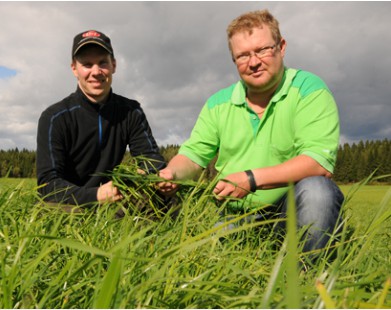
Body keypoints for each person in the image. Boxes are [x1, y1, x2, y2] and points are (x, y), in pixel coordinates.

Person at [159, 10, 344, 253]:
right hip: (234, 216)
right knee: (198, 256)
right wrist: (172, 173)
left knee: (319, 192)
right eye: (243, 55)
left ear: (282, 46)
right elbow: (193, 155)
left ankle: (308, 279)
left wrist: (250, 180)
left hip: (288, 212)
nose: (254, 62)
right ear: (234, 60)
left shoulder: (309, 90)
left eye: (262, 50)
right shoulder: (219, 103)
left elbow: (317, 163)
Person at [36, 30, 165, 207]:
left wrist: (136, 178)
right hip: (72, 204)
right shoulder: (54, 117)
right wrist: (96, 194)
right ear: (74, 68)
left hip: (117, 200)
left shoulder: (131, 111)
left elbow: (152, 159)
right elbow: (47, 184)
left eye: (102, 63)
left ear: (114, 65)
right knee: (50, 206)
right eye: (87, 64)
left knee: (166, 199)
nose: (96, 72)